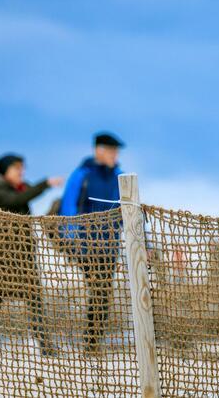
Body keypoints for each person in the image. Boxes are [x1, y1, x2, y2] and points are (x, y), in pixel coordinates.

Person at [0, 153, 64, 355]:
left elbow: (27, 194)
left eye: (22, 168)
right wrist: (45, 183)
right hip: (4, 259)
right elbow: (18, 199)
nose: (21, 172)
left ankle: (46, 348)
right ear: (4, 171)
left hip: (24, 258)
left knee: (36, 304)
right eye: (16, 169)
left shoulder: (19, 187)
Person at [59, 132, 124, 353]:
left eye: (117, 151)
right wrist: (71, 241)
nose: (115, 155)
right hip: (87, 246)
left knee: (103, 293)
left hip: (110, 246)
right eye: (111, 150)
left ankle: (92, 341)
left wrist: (142, 240)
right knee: (99, 290)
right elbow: (68, 207)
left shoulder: (120, 176)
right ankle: (91, 343)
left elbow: (127, 209)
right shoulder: (81, 175)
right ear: (99, 150)